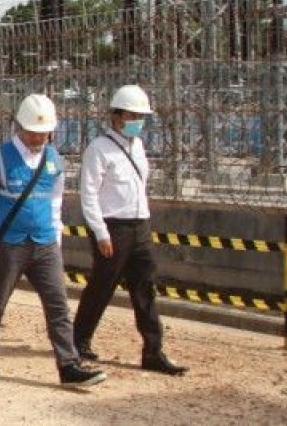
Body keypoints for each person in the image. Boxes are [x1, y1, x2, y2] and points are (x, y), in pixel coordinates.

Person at [0, 94, 107, 388]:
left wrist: (56, 239)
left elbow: (56, 202)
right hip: (9, 244)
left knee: (58, 305)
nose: (37, 137)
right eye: (32, 131)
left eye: (43, 133)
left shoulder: (54, 159)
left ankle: (68, 364)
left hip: (45, 244)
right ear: (19, 126)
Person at [72, 85, 187, 376]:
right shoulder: (99, 149)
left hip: (139, 225)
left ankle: (153, 350)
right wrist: (100, 232)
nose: (137, 120)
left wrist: (143, 223)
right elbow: (89, 195)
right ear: (117, 115)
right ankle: (79, 339)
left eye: (141, 116)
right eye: (132, 114)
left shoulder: (138, 147)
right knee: (102, 285)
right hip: (113, 227)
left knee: (145, 287)